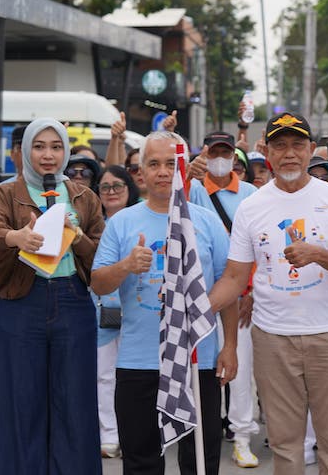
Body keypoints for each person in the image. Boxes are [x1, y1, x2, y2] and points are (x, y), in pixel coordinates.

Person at [207, 112, 328, 475]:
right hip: (272, 339)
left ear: (311, 149)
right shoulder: (251, 207)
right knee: (285, 448)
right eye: (280, 146)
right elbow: (234, 277)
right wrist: (198, 308)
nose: (290, 153)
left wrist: (319, 255)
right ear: (267, 152)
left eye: (298, 144)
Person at [91, 130, 238, 475]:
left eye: (171, 163)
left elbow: (229, 284)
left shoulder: (206, 221)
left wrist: (230, 345)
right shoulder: (122, 222)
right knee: (141, 461)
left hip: (196, 358)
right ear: (140, 171)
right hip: (139, 361)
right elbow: (98, 283)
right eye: (154, 164)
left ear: (183, 168)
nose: (162, 172)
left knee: (200, 460)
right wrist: (127, 265)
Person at [0, 118, 106, 474]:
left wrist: (78, 237)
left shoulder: (84, 196)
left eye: (56, 147)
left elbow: (101, 258)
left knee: (74, 401)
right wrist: (14, 237)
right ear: (24, 151)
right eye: (39, 146)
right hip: (20, 302)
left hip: (72, 300)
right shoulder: (6, 193)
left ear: (66, 151)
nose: (48, 155)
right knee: (21, 400)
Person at [186, 131, 261, 468]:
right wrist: (187, 175)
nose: (219, 158)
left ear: (234, 156)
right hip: (198, 294)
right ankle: (198, 431)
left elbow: (259, 245)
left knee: (237, 368)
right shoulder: (193, 189)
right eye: (213, 152)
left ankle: (241, 437)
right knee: (201, 371)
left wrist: (250, 290)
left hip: (238, 293)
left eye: (225, 152)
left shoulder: (250, 194)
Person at [94, 165, 142, 459]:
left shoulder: (141, 218)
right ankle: (109, 435)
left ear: (129, 188)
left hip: (139, 310)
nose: (111, 192)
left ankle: (135, 433)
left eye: (117, 186)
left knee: (137, 376)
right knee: (104, 376)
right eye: (105, 187)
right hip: (100, 310)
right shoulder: (91, 224)